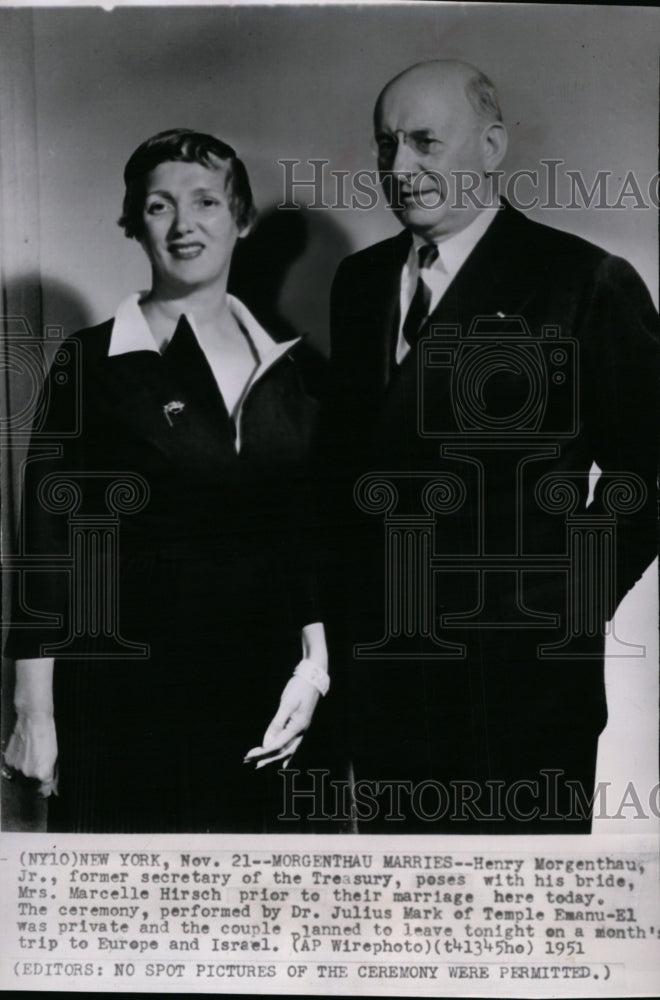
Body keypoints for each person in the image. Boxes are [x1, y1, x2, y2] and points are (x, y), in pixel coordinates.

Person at [324, 60, 658, 832]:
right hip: (380, 681)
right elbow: (343, 471)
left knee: (519, 919)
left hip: (522, 689)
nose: (400, 169)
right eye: (385, 145)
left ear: (492, 144)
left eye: (425, 143)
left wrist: (569, 603)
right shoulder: (360, 282)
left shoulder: (581, 279)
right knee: (402, 925)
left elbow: (650, 470)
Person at [4, 128, 329, 833]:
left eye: (206, 201)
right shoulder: (90, 361)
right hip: (125, 693)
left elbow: (311, 534)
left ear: (240, 219)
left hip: (265, 690)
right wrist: (34, 711)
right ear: (134, 222)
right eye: (159, 206)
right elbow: (46, 540)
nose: (184, 225)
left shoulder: (297, 371)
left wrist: (316, 671)